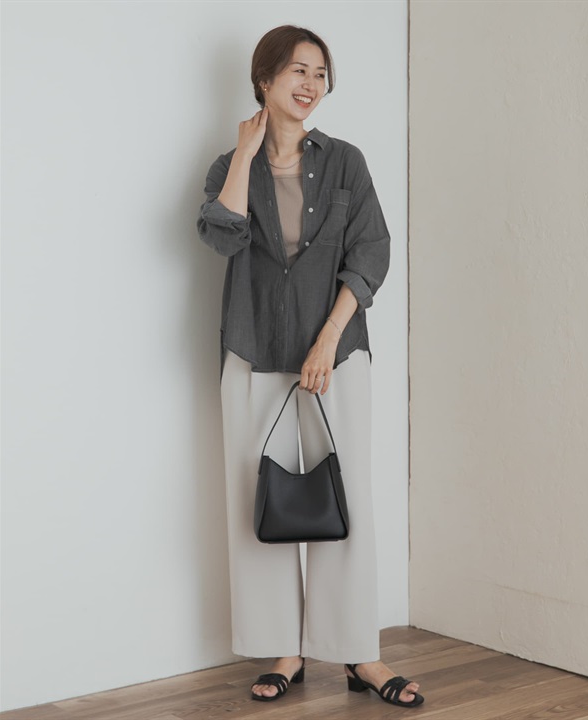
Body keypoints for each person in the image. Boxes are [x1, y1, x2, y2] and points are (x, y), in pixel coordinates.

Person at [197, 25, 424, 709]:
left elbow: (372, 251)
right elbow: (221, 236)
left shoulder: (346, 161)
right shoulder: (229, 165)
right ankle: (285, 650)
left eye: (320, 73)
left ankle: (360, 654)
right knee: (261, 502)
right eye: (298, 70)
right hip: (255, 348)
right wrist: (246, 153)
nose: (310, 84)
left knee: (347, 500)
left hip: (336, 354)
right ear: (264, 78)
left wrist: (328, 339)